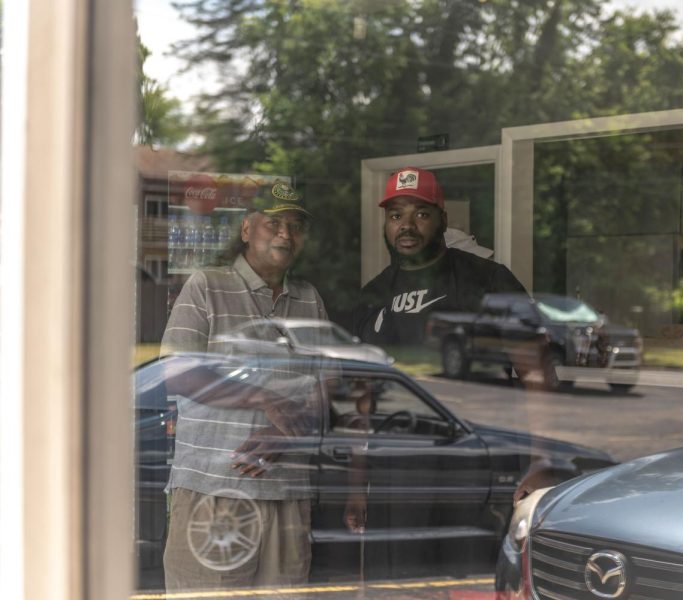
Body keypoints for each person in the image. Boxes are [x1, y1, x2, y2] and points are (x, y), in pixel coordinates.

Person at [160, 181, 328, 591]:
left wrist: (287, 434)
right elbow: (178, 371)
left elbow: (329, 386)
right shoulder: (206, 284)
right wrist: (265, 399)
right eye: (274, 223)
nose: (286, 234)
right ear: (247, 230)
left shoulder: (308, 298)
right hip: (212, 489)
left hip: (288, 493)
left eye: (295, 226)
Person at [352, 167, 526, 346]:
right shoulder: (372, 294)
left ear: (443, 221)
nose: (407, 225)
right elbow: (361, 371)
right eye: (396, 216)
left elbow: (533, 369)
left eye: (421, 214)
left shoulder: (489, 279)